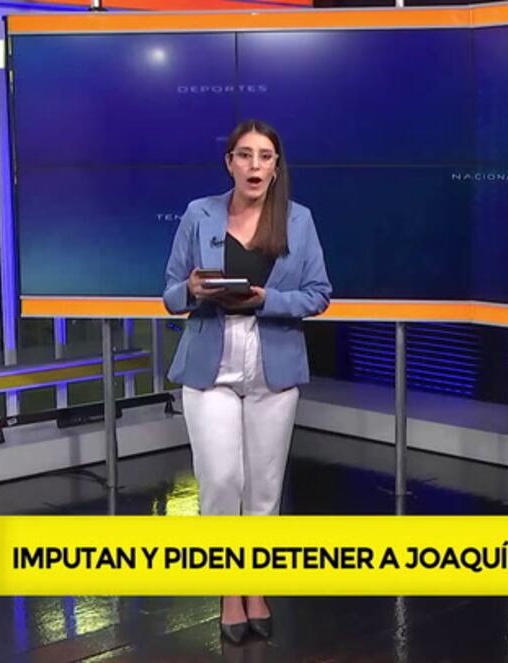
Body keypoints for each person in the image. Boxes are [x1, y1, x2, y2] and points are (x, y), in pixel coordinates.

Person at [162, 119, 331, 644]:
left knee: (263, 488)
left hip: (272, 360)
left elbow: (319, 294)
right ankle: (228, 591)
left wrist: (267, 300)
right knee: (220, 482)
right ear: (229, 163)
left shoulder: (299, 220)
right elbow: (169, 294)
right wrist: (192, 289)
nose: (254, 165)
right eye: (245, 155)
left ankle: (255, 585)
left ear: (276, 167)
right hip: (209, 361)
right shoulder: (199, 214)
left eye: (265, 156)